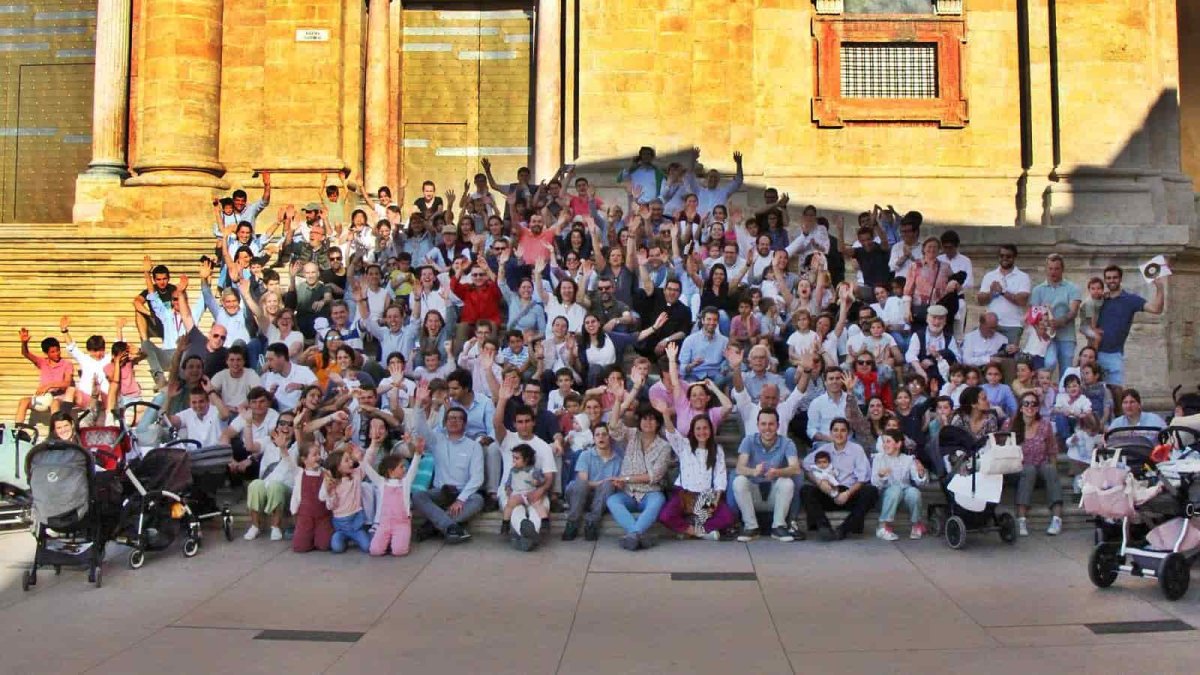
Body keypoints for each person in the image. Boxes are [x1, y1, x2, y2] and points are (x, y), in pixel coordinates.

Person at [410, 384, 485, 543]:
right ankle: (451, 526)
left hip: (463, 493)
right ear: (445, 422)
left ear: (465, 424)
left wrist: (461, 499)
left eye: (458, 419)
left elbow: (477, 478)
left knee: (478, 500)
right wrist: (419, 404)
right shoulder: (436, 440)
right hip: (440, 492)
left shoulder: (474, 446)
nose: (454, 421)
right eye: (450, 418)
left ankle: (435, 525)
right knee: (418, 496)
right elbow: (420, 429)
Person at [654, 403, 736, 540]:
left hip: (706, 495)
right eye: (698, 428)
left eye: (705, 428)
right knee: (665, 516)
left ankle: (696, 530)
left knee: (727, 517)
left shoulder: (717, 450)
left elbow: (720, 476)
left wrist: (715, 501)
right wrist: (665, 414)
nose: (702, 432)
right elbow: (672, 434)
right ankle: (696, 532)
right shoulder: (684, 445)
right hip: (684, 494)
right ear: (692, 430)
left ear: (711, 430)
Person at [605, 403, 671, 551]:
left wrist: (626, 478)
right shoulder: (632, 434)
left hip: (650, 492)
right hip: (628, 492)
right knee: (612, 501)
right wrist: (618, 400)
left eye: (652, 419)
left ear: (658, 423)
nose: (648, 422)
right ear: (639, 421)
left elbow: (655, 475)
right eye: (644, 419)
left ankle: (632, 536)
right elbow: (614, 427)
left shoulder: (664, 446)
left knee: (658, 500)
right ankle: (637, 534)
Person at [800, 418, 878, 541]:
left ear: (849, 433)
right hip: (828, 493)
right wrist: (819, 482)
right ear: (830, 433)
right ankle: (824, 527)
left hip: (849, 494)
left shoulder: (856, 449)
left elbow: (863, 478)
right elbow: (805, 464)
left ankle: (843, 529)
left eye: (843, 430)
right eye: (835, 430)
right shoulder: (825, 449)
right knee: (805, 490)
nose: (839, 434)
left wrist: (847, 493)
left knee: (871, 491)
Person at [731, 408, 801, 542]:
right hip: (754, 494)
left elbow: (796, 468)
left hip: (775, 495)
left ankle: (778, 526)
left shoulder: (787, 443)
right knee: (739, 481)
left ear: (778, 426)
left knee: (787, 482)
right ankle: (751, 527)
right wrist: (753, 471)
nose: (767, 428)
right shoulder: (749, 440)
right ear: (758, 425)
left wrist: (777, 472)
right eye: (763, 424)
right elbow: (739, 468)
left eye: (771, 424)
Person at [1095, 264, 1166, 385]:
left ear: (1120, 279)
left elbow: (1156, 309)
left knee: (1115, 389)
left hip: (1114, 354)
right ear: (1105, 280)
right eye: (1108, 278)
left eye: (1115, 277)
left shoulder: (1131, 300)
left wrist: (1160, 287)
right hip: (1094, 352)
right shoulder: (1099, 299)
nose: (1111, 280)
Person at [1008, 392, 1063, 536]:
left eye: (1034, 404)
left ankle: (1057, 518)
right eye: (1026, 403)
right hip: (1018, 470)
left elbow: (1052, 450)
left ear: (1038, 408)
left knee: (1050, 469)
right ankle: (1021, 519)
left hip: (1040, 467)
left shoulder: (1045, 425)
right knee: (1029, 470)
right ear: (1020, 407)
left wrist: (1053, 471)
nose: (1030, 407)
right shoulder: (1011, 424)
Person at [243, 415, 298, 541]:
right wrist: (248, 423)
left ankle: (275, 526)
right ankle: (255, 526)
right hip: (266, 485)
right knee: (255, 484)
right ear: (277, 426)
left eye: (290, 424)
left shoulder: (297, 445)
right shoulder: (268, 441)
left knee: (275, 486)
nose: (286, 427)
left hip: (287, 490)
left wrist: (283, 447)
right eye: (282, 423)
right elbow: (250, 447)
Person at [871, 429, 929, 540]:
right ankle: (883, 526)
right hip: (885, 498)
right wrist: (881, 475)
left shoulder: (908, 459)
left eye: (888, 441)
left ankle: (916, 524)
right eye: (884, 442)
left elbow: (919, 482)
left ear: (898, 444)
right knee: (895, 490)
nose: (885, 445)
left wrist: (921, 473)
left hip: (904, 496)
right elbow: (874, 483)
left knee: (914, 492)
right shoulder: (878, 458)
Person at [1030, 254, 1082, 376]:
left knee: (1066, 372)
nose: (1053, 272)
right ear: (1046, 269)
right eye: (1050, 268)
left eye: (1057, 268)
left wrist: (1059, 322)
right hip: (1046, 337)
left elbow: (1073, 312)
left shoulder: (1072, 288)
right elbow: (1032, 315)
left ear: (1062, 269)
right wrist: (1040, 331)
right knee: (1048, 365)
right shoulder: (1037, 290)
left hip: (1066, 336)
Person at [15, 329, 74, 423]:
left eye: (58, 350)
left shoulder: (67, 364)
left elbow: (67, 383)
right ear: (46, 353)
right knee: (24, 401)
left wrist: (49, 385)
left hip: (59, 398)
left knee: (55, 403)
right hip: (44, 397)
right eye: (53, 352)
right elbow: (26, 354)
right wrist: (24, 343)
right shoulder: (42, 362)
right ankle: (17, 429)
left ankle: (56, 429)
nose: (56, 353)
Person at [976, 244, 1031, 345]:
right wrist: (991, 293)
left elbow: (1022, 301)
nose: (1004, 258)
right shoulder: (989, 276)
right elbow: (980, 301)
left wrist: (1002, 292)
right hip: (991, 325)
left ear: (1014, 257)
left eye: (1008, 256)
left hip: (1013, 325)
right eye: (1002, 256)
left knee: (1010, 354)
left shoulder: (1023, 277)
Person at [290, 443, 334, 553]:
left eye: (319, 454)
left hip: (322, 516)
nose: (318, 457)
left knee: (325, 545)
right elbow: (296, 495)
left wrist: (328, 487)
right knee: (300, 547)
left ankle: (317, 536)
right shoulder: (300, 474)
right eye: (314, 455)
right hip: (305, 517)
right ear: (304, 459)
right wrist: (294, 510)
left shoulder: (325, 474)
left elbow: (323, 497)